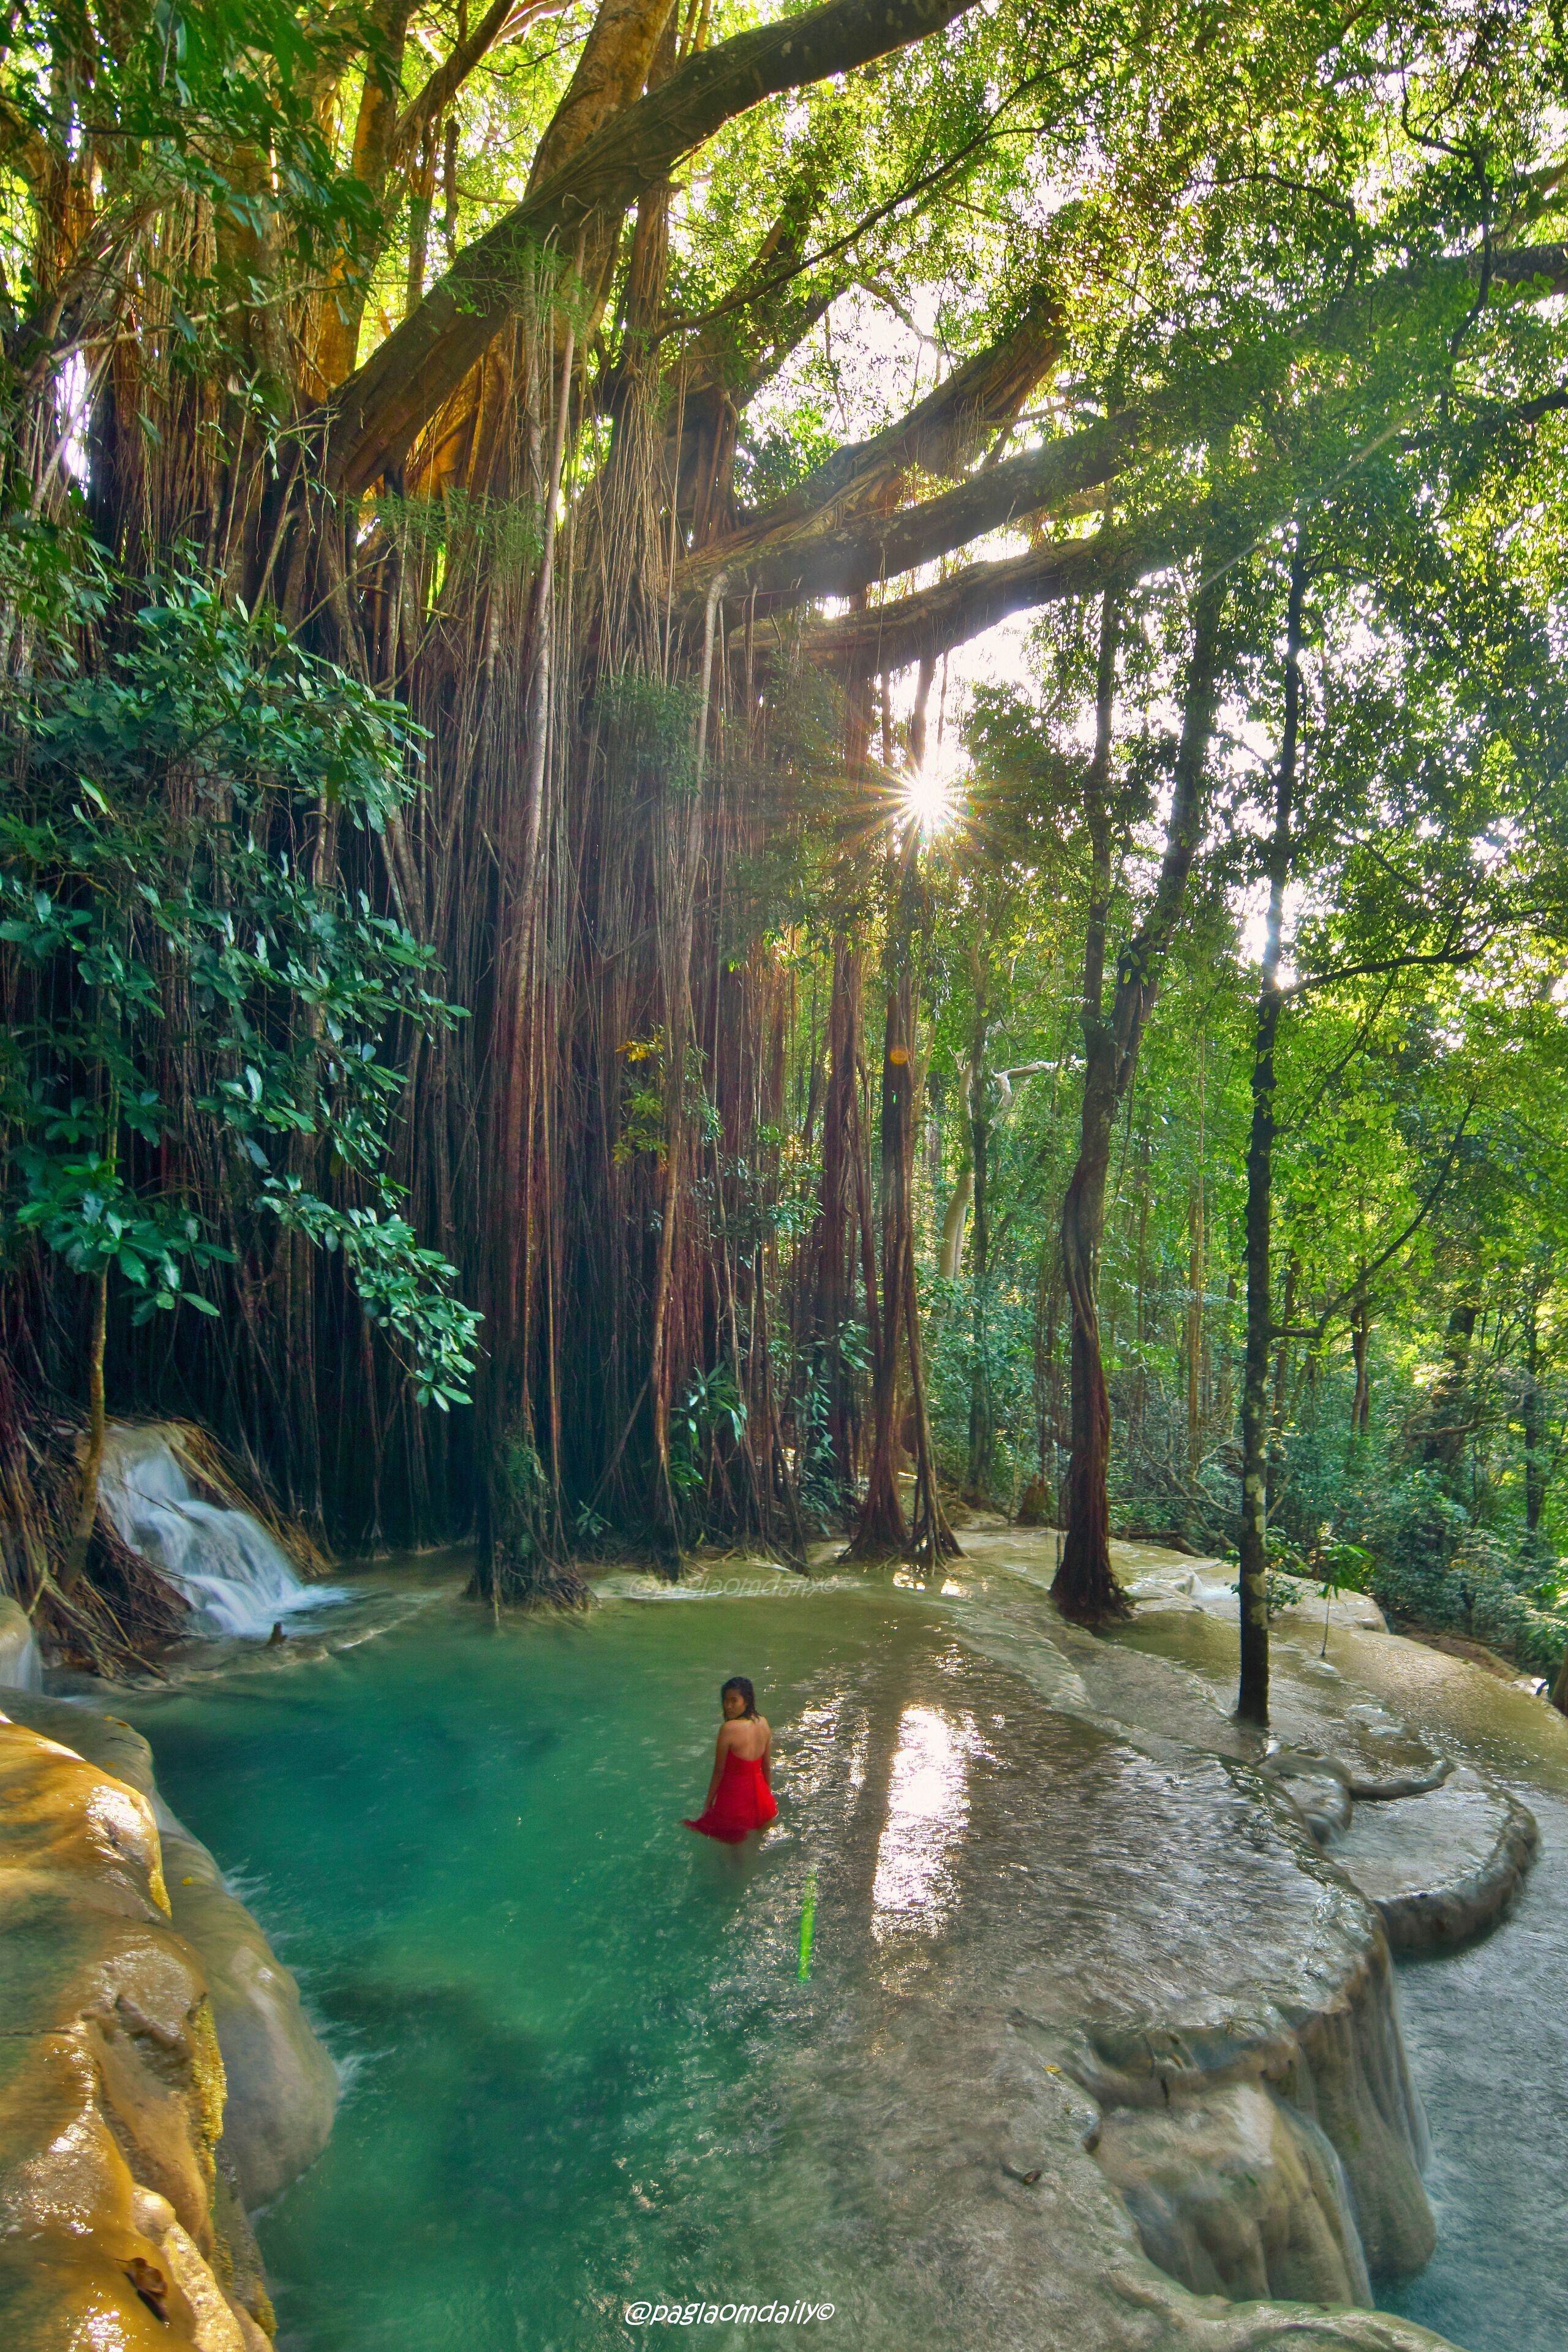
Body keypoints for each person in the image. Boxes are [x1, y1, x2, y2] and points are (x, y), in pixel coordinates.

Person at [682, 1675, 777, 1843]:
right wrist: (766, 1799)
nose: (728, 1706)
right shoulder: (763, 1722)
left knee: (733, 1852)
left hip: (735, 1803)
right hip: (763, 1799)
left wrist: (708, 1805)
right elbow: (767, 1767)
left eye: (734, 1701)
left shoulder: (729, 1729)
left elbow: (719, 1771)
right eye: (726, 1701)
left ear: (746, 1701)